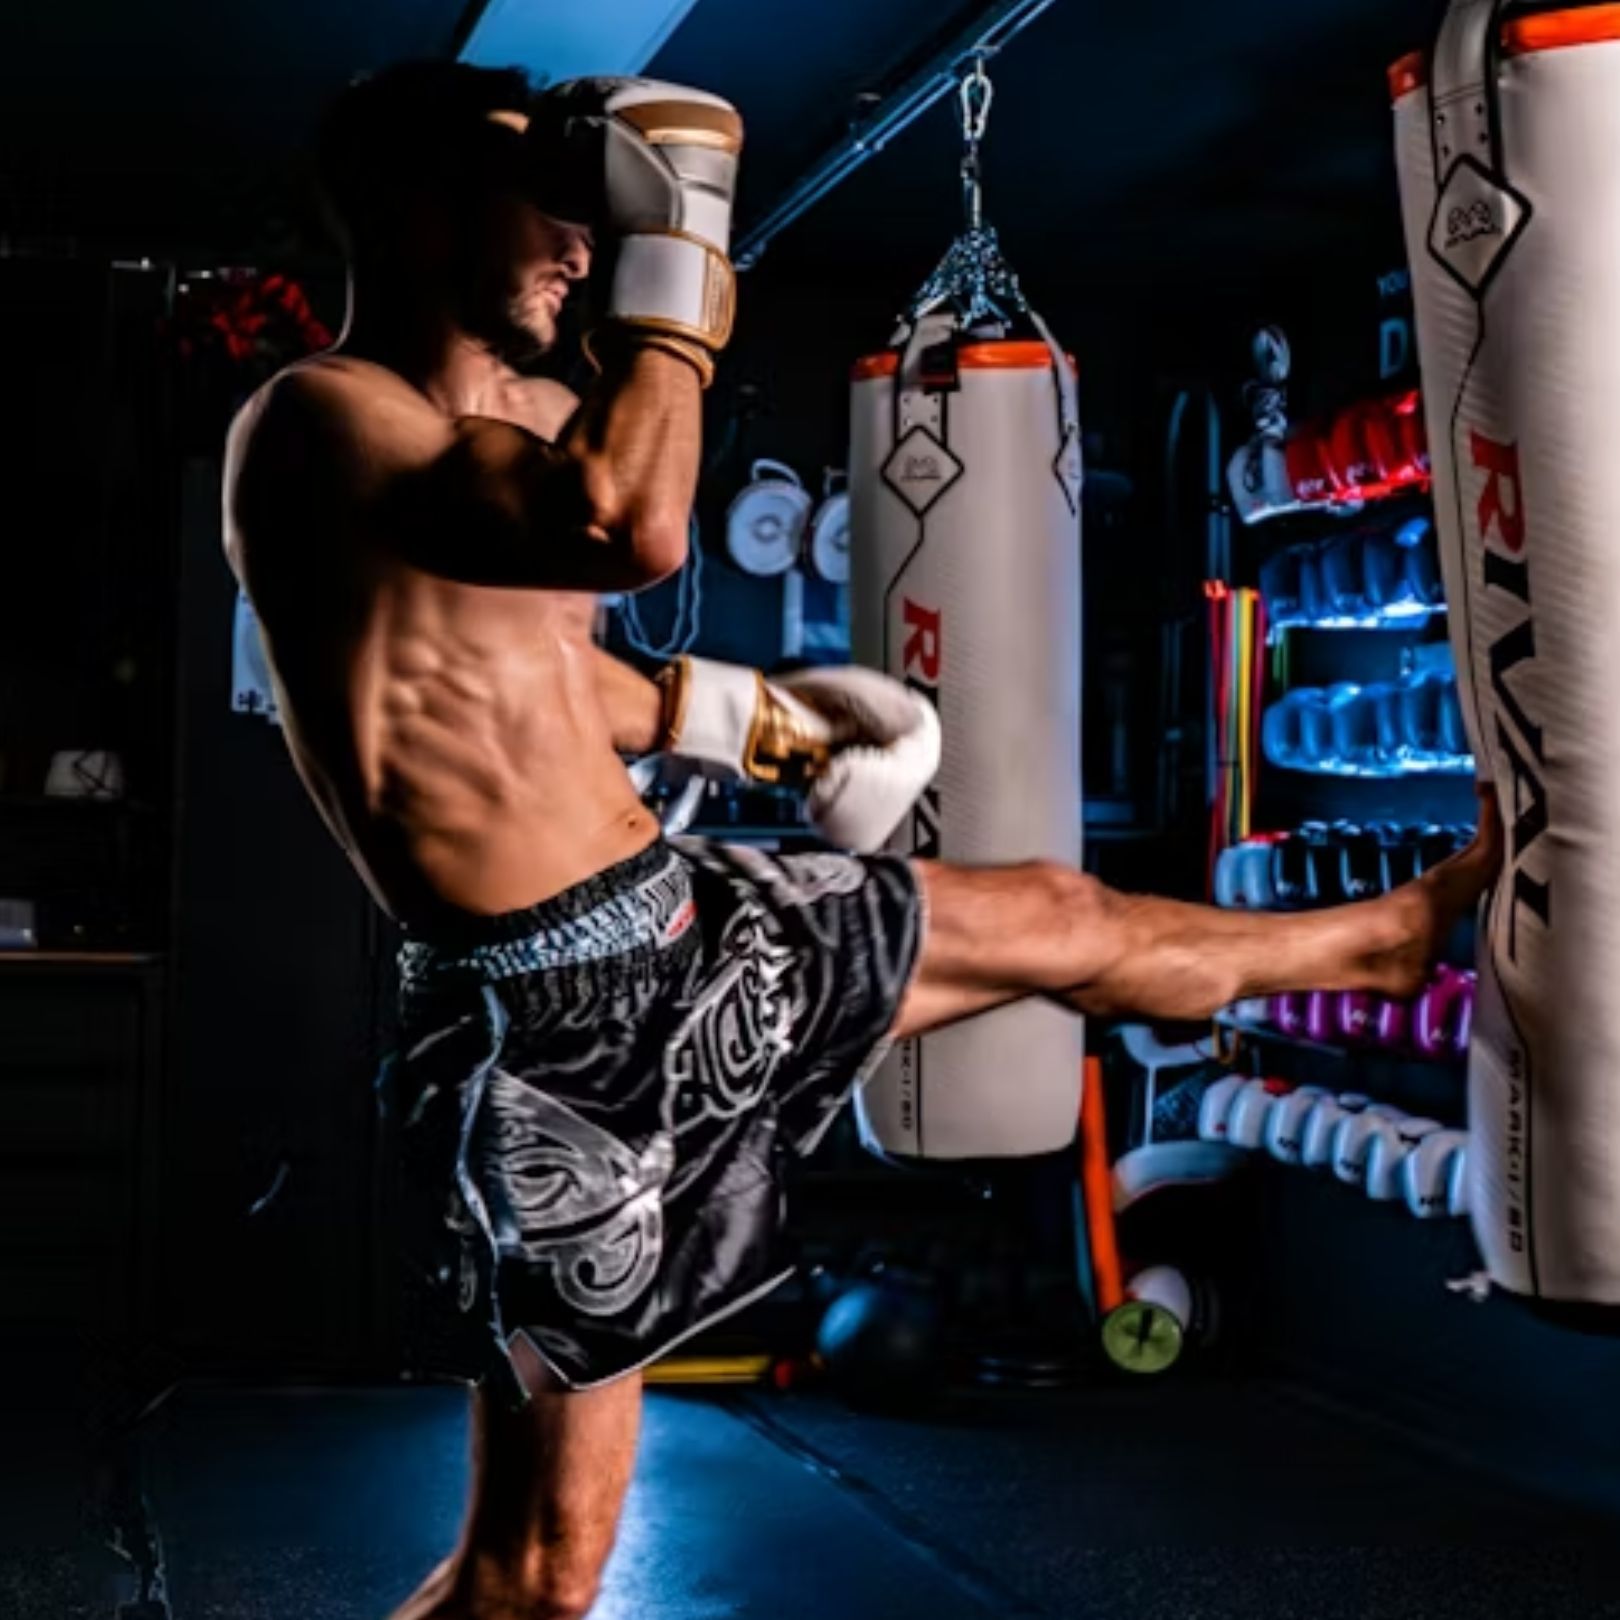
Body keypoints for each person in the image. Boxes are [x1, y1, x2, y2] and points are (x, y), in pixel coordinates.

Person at [223, 60, 1501, 1620]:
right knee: (538, 1577)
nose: (576, 242)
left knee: (1059, 913)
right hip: (549, 1035)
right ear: (422, 212)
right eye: (543, 204)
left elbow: (548, 675)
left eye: (590, 213)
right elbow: (630, 527)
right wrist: (674, 253)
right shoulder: (321, 422)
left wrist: (765, 722)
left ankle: (1386, 941)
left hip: (678, 919)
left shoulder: (533, 423)